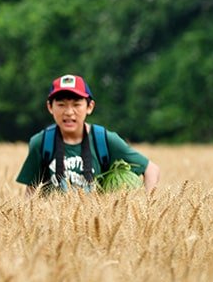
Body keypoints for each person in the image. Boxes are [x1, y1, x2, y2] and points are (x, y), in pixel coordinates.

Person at [16, 74, 160, 193]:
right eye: (61, 104)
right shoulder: (41, 143)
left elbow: (151, 169)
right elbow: (31, 193)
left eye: (76, 104)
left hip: (96, 224)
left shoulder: (104, 140)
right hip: (53, 224)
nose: (69, 112)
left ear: (89, 107)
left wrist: (147, 208)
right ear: (50, 107)